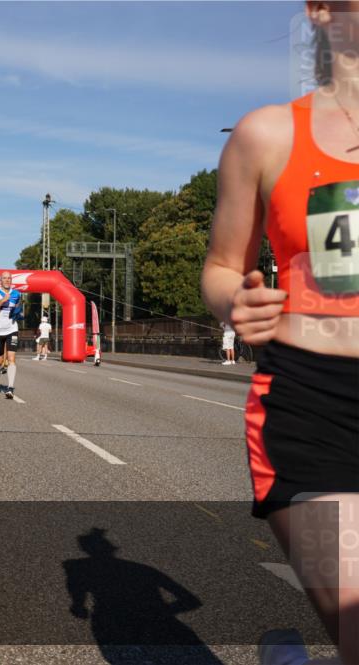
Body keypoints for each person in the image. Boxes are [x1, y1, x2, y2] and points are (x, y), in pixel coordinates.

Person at [201, 4, 358, 663]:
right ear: (321, 10)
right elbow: (219, 266)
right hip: (315, 407)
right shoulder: (267, 135)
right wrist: (239, 300)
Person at [0, 271, 22, 398]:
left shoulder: (17, 293)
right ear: (0, 280)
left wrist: (19, 313)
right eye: (5, 278)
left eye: (9, 278)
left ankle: (10, 388)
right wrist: (3, 300)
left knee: (11, 359)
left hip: (12, 328)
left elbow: (18, 308)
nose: (7, 280)